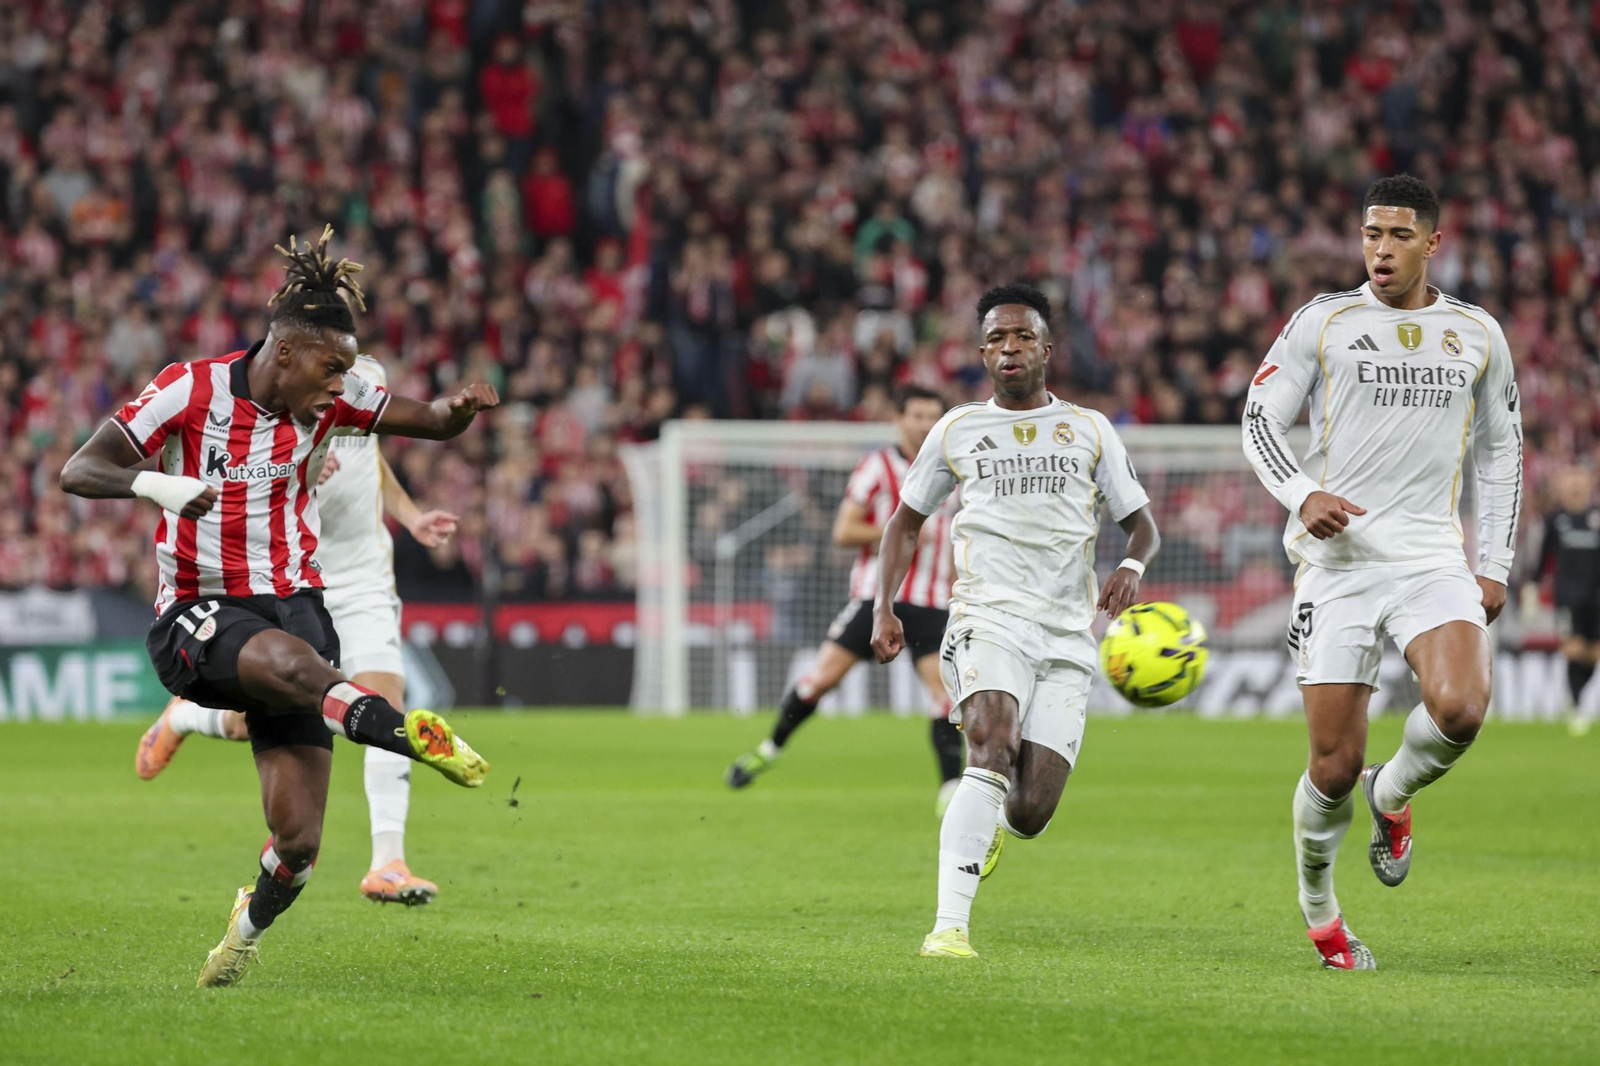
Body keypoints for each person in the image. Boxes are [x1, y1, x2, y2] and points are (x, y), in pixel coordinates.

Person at [58, 227, 497, 987]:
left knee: (297, 843)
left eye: (348, 371)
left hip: (296, 605)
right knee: (295, 667)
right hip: (198, 611)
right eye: (331, 368)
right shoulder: (189, 390)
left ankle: (245, 929)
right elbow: (80, 467)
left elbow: (425, 420)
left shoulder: (334, 398)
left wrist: (459, 411)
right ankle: (411, 738)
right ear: (284, 353)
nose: (341, 384)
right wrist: (159, 486)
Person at [1242, 175, 1523, 970]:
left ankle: (1391, 792)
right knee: (1330, 767)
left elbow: (1503, 451)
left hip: (1431, 556)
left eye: (1399, 236)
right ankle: (1322, 911)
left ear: (1433, 243)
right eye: (1371, 234)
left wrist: (1493, 560)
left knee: (1462, 708)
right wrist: (1302, 495)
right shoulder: (1324, 321)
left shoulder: (1477, 333)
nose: (1381, 250)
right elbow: (1259, 416)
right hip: (1336, 566)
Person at [871, 283, 1160, 959]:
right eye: (997, 337)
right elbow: (903, 523)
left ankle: (993, 818)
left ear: (1047, 349)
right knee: (991, 745)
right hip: (986, 616)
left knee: (1029, 811)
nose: (1009, 348)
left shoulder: (1089, 429)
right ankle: (949, 926)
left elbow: (1141, 525)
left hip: (1065, 634)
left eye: (1022, 336)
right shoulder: (956, 429)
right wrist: (886, 604)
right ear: (981, 352)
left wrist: (1131, 569)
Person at [134, 352, 460, 905]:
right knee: (259, 720)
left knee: (385, 696)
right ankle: (189, 714)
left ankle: (388, 861)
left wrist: (408, 516)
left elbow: (371, 457)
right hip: (290, 572)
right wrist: (305, 466)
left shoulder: (368, 378)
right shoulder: (276, 387)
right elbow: (250, 469)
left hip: (362, 572)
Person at [724, 385, 965, 815]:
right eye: (917, 415)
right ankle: (770, 747)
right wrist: (898, 529)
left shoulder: (955, 471)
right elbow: (842, 532)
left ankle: (950, 790)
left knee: (944, 694)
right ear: (899, 419)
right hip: (877, 599)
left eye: (933, 416)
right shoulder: (877, 466)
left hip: (933, 603)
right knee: (820, 680)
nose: (926, 424)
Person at [1535, 466, 1600, 735]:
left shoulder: (1597, 518)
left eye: (1580, 482)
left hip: (1597, 597)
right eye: (1570, 482)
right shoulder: (1555, 520)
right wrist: (1533, 586)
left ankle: (1578, 699)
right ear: (1562, 487)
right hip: (1567, 597)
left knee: (1594, 652)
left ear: (1589, 485)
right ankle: (1576, 706)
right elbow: (1541, 560)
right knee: (1572, 648)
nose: (1575, 487)